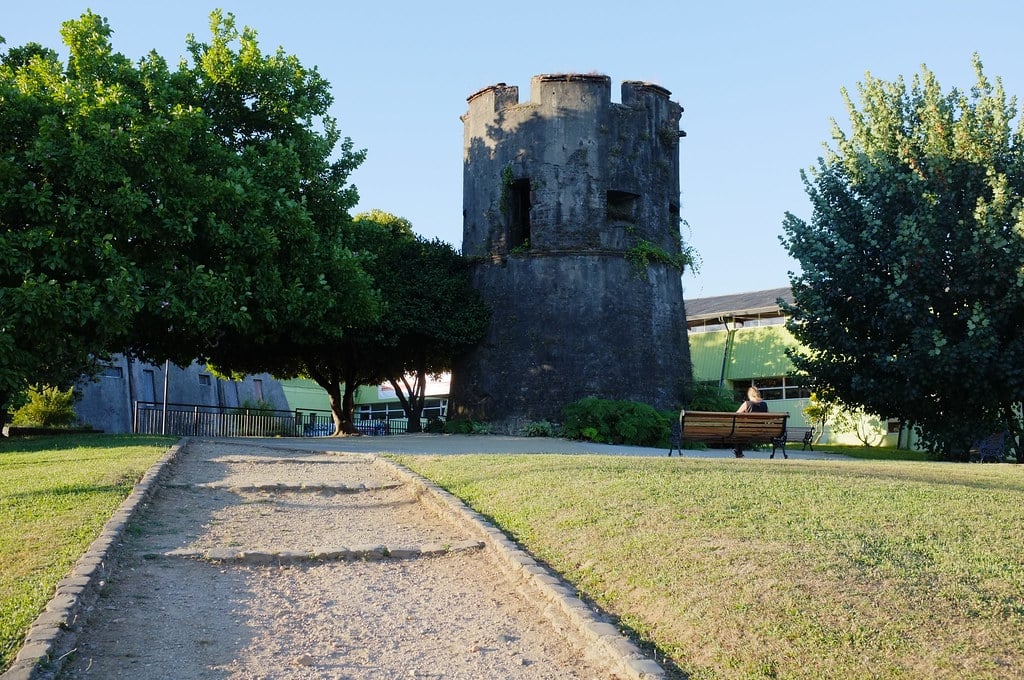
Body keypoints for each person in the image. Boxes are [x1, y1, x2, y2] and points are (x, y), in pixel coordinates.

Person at [733, 386, 768, 457]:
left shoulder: (747, 404)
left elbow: (736, 415)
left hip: (747, 430)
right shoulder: (764, 404)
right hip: (761, 430)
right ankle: (738, 452)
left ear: (750, 395)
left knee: (737, 431)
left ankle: (738, 451)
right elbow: (768, 417)